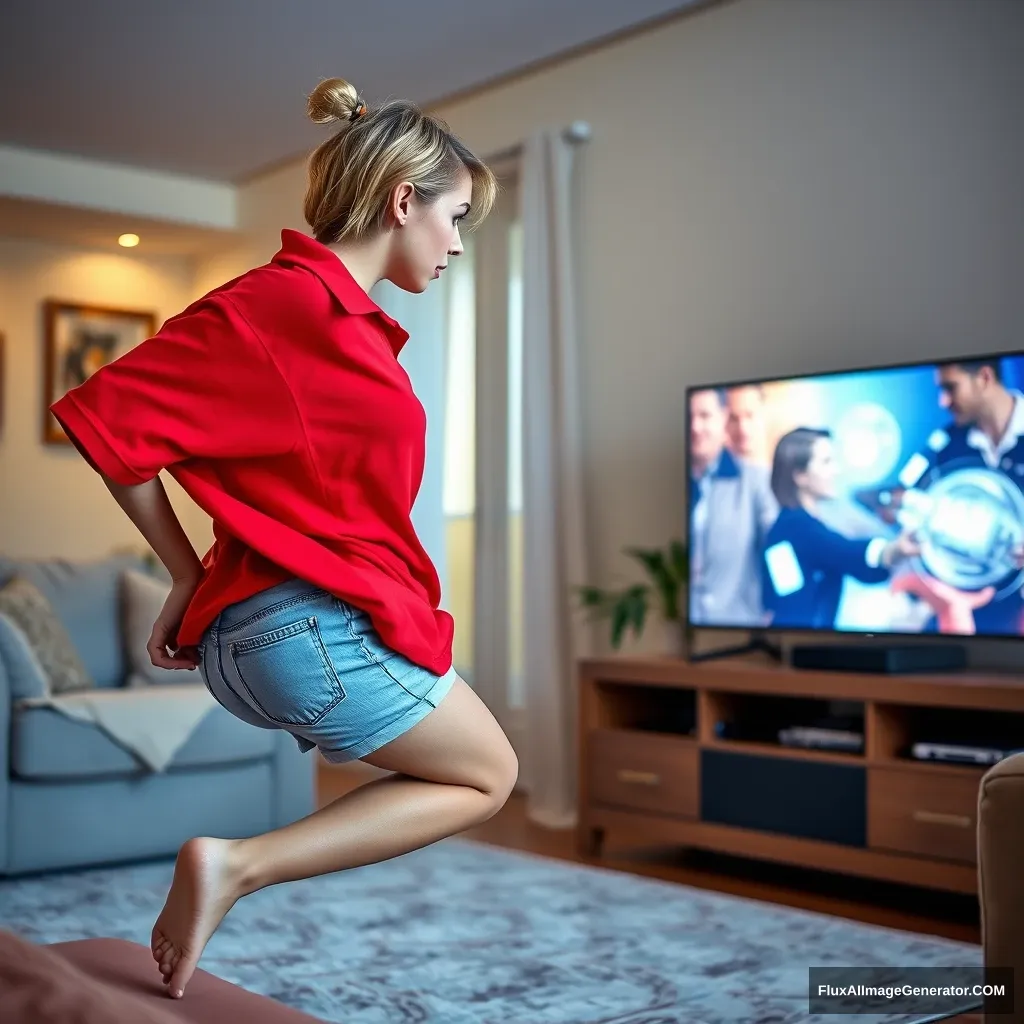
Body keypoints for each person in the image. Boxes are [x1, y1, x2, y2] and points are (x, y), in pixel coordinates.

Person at [49, 78, 516, 1002]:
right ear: (402, 201)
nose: (459, 242)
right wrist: (183, 573)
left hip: (278, 634)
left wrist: (197, 577)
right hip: (301, 630)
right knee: (488, 775)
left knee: (476, 771)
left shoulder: (344, 324)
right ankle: (236, 867)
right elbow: (107, 417)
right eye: (455, 216)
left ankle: (236, 866)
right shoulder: (281, 305)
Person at [898, 358, 1024, 634]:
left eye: (951, 388)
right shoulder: (943, 443)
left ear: (985, 378)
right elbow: (896, 496)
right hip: (961, 610)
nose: (943, 401)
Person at [762, 427, 919, 629]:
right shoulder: (796, 529)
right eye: (826, 462)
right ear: (800, 475)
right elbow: (846, 553)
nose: (836, 470)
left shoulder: (784, 529)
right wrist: (894, 550)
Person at [688, 387, 778, 626]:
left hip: (740, 625)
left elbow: (779, 548)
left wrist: (782, 609)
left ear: (722, 419)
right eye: (689, 418)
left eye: (705, 416)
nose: (695, 427)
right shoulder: (679, 483)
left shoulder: (758, 481)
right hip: (689, 630)